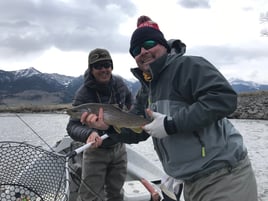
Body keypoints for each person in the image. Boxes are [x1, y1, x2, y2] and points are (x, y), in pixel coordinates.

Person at [83, 16, 258, 201]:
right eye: (136, 50)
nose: (143, 51)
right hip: (188, 183)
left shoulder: (189, 66)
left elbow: (224, 99)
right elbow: (138, 132)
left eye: (149, 43)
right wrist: (109, 127)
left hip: (223, 177)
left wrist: (170, 124)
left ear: (164, 45)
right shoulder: (146, 90)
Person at [66, 48, 133, 201]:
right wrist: (89, 133)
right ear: (91, 69)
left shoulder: (120, 84)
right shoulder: (83, 93)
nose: (103, 69)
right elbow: (72, 126)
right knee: (89, 196)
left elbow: (131, 103)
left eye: (107, 65)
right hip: (95, 151)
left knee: (116, 194)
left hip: (119, 148)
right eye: (98, 66)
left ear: (112, 66)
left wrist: (129, 116)